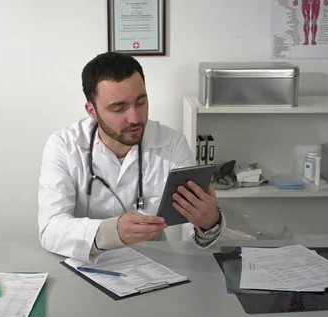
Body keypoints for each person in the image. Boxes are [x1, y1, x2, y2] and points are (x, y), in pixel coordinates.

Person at [37, 52, 226, 262]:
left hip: (154, 266)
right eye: (119, 108)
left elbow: (196, 230)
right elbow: (50, 228)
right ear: (91, 110)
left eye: (141, 102)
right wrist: (110, 232)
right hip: (87, 266)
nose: (135, 118)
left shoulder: (172, 144)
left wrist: (209, 221)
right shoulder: (63, 146)